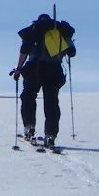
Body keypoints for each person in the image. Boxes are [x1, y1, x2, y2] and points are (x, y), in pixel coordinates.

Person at [11, 13, 75, 145]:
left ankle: (29, 126)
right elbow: (72, 52)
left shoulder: (34, 30)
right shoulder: (60, 30)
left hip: (35, 68)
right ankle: (50, 134)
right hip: (54, 69)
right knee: (51, 102)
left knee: (28, 97)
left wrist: (18, 69)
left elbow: (24, 50)